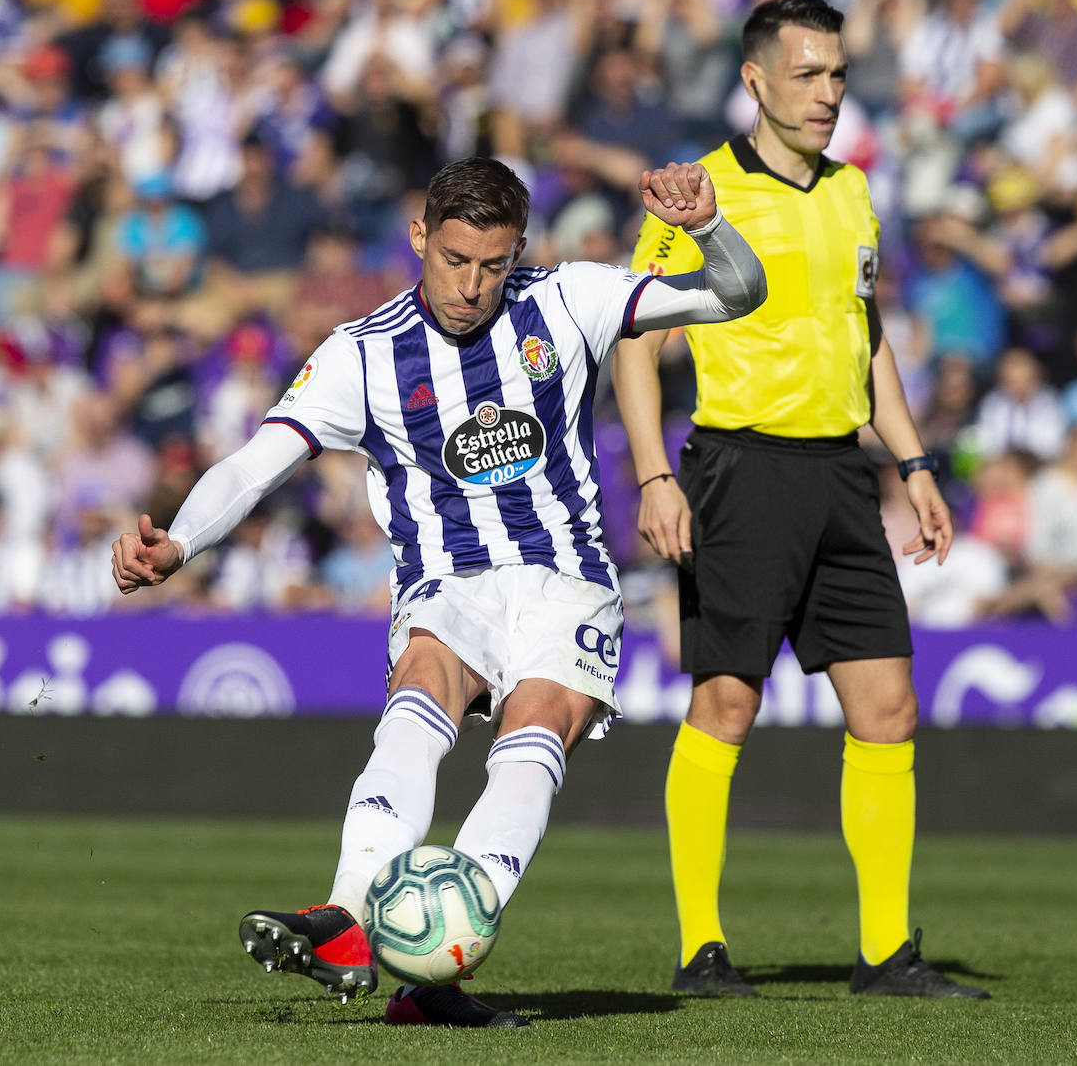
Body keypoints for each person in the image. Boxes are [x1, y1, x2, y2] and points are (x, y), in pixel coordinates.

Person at [111, 155, 767, 1026]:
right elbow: (257, 462)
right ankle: (347, 919)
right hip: (446, 578)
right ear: (420, 236)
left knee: (537, 731)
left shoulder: (569, 298)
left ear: (519, 251)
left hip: (566, 578)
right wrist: (181, 539)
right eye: (455, 259)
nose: (472, 285)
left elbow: (736, 295)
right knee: (423, 685)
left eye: (494, 265)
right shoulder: (364, 352)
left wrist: (708, 229)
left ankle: (438, 968)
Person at [611, 0, 988, 1001]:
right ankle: (701, 947)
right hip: (738, 467)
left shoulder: (853, 191)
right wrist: (654, 475)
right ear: (756, 80)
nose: (827, 93)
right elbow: (637, 340)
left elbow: (871, 346)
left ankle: (884, 952)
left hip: (838, 475)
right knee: (726, 702)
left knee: (889, 707)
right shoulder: (699, 193)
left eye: (836, 74)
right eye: (809, 74)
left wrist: (913, 464)